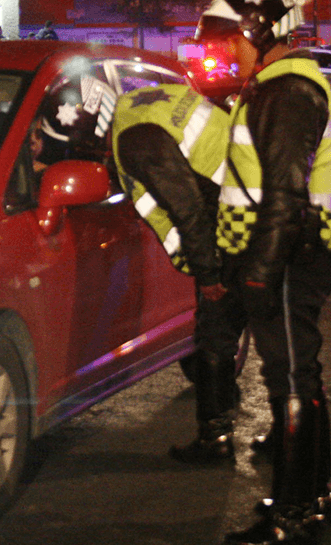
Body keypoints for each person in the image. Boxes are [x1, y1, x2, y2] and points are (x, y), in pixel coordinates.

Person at [195, 0, 331, 545]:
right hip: (290, 256)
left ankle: (291, 513)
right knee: (300, 376)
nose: (224, 49)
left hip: (287, 260)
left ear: (259, 30)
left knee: (288, 379)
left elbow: (284, 195)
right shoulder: (272, 88)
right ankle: (310, 496)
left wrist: (259, 270)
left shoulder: (286, 93)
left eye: (231, 37)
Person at [110, 82, 239, 464]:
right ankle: (280, 433)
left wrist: (208, 272)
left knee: (215, 335)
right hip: (257, 203)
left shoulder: (135, 138)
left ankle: (216, 436)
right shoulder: (147, 102)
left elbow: (189, 209)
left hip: (231, 221)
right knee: (273, 336)